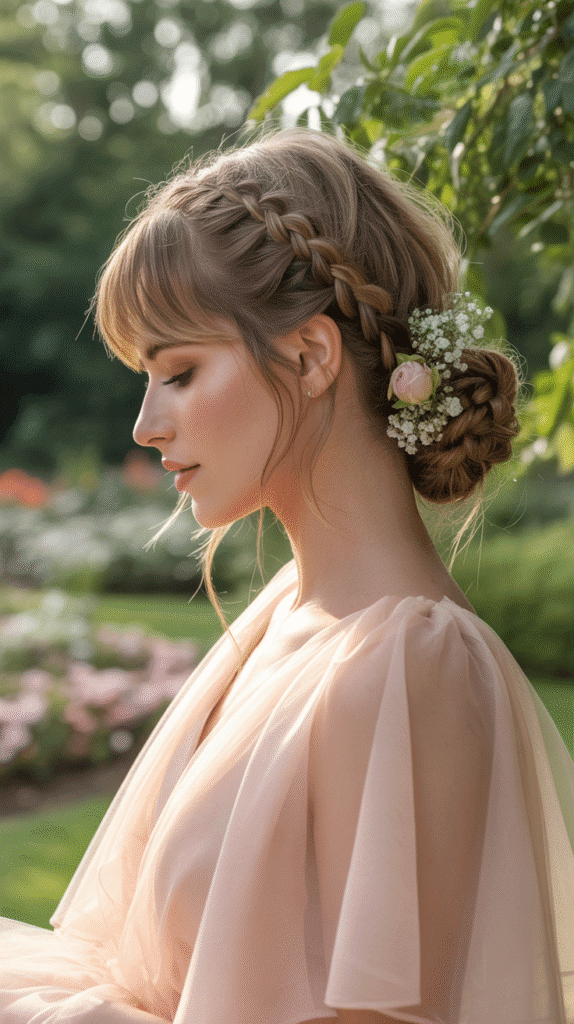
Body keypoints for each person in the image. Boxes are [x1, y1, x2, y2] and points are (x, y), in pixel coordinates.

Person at [1, 125, 573, 1024]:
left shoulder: (408, 667)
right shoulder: (284, 618)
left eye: (179, 372)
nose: (146, 424)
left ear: (309, 356)